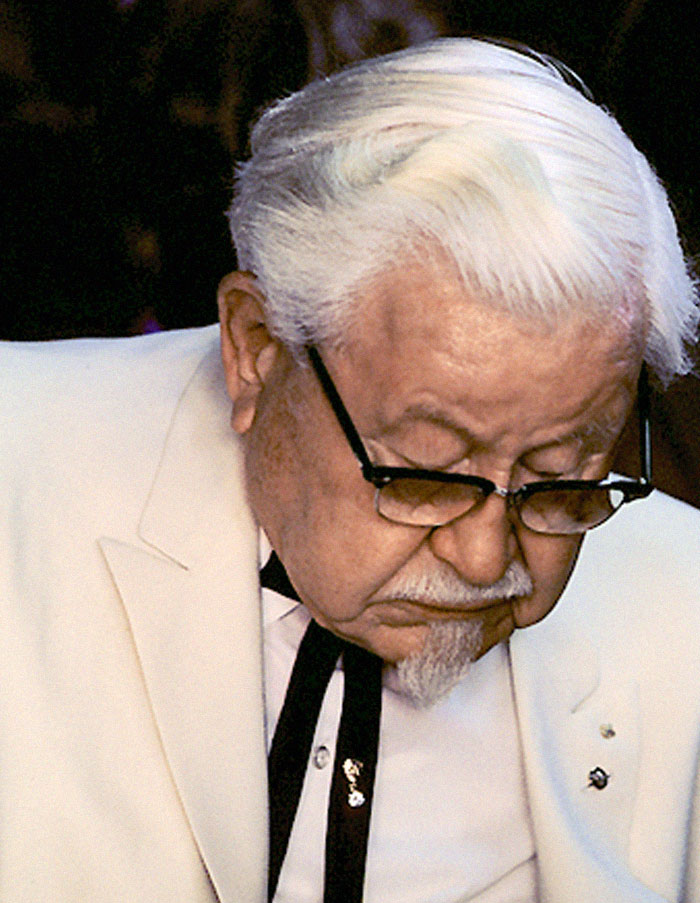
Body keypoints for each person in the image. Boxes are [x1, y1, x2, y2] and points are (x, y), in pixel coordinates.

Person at [1, 37, 699, 903]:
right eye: (427, 472)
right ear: (257, 348)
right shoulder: (17, 460)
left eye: (559, 477)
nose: (485, 558)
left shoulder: (686, 602)